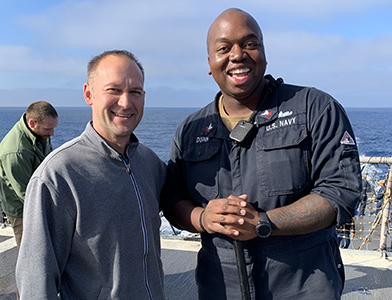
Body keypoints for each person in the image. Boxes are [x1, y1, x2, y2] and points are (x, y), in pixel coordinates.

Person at [162, 8, 361, 300]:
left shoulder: (315, 108)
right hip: (219, 288)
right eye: (223, 48)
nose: (238, 54)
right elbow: (172, 196)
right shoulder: (190, 130)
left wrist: (263, 224)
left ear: (264, 54)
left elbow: (341, 192)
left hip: (304, 286)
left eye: (250, 44)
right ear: (210, 63)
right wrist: (203, 218)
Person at [16, 50, 167, 299]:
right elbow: (36, 280)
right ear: (89, 94)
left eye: (135, 92)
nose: (126, 103)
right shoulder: (57, 175)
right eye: (114, 90)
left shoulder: (149, 162)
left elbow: (179, 202)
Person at [0, 100, 58, 249]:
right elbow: (25, 194)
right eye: (48, 129)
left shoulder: (39, 133)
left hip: (39, 199)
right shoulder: (16, 152)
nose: (52, 133)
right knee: (31, 252)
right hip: (22, 210)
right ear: (32, 123)